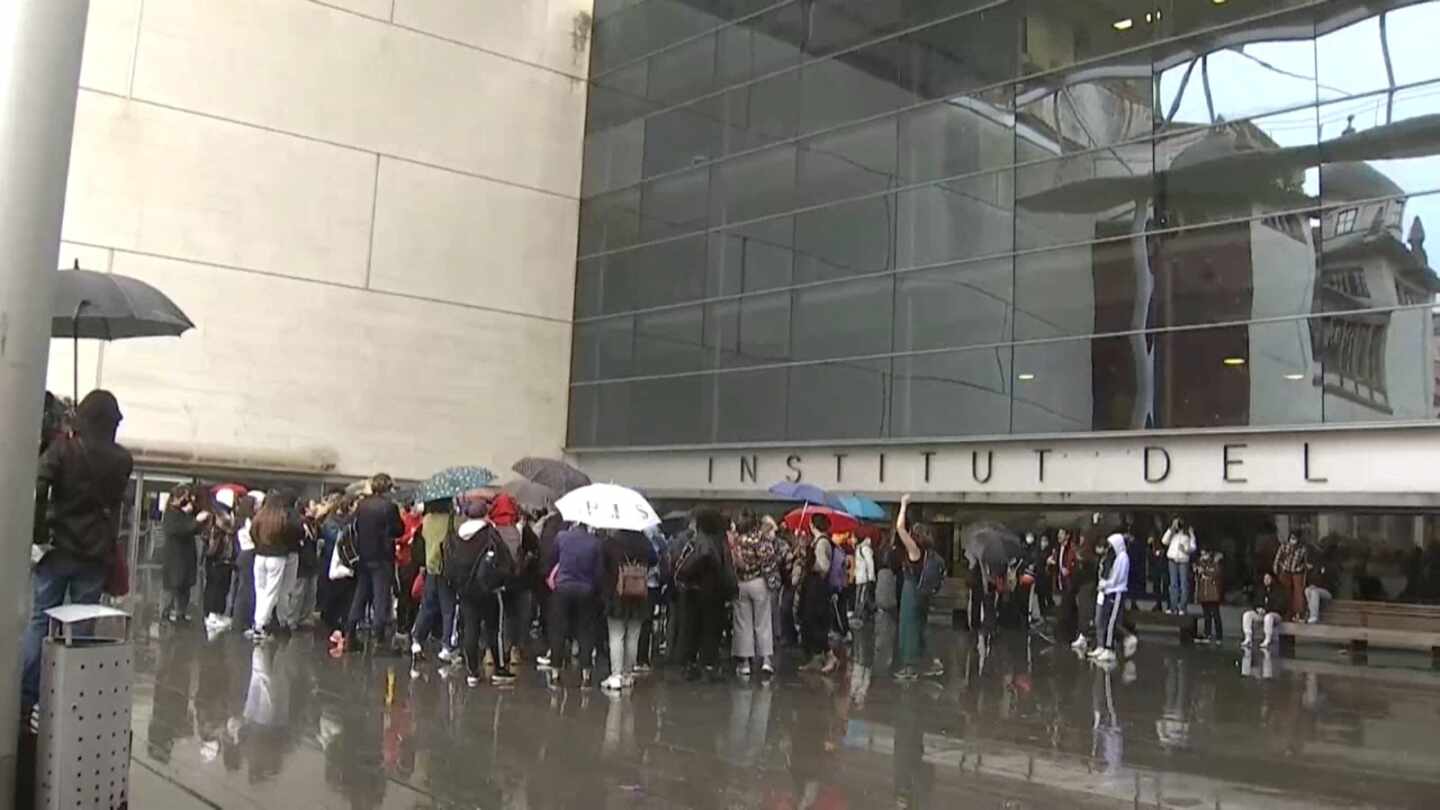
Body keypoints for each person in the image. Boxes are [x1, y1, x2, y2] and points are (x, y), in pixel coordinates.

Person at [24, 390, 134, 718]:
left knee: (40, 622)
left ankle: (26, 697)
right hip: (94, 554)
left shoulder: (64, 449)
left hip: (56, 549)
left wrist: (39, 532)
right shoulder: (122, 460)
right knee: (80, 631)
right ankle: (66, 702)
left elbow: (39, 485)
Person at [443, 498, 515, 687]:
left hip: (465, 590)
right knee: (494, 630)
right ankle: (500, 668)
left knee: (470, 629)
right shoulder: (490, 534)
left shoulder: (455, 536)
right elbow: (505, 561)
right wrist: (502, 580)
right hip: (489, 590)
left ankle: (472, 671)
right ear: (485, 514)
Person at [341, 473, 405, 654]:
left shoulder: (362, 505)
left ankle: (350, 635)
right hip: (382, 556)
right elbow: (398, 530)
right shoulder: (389, 507)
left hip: (363, 555)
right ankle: (379, 640)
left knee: (360, 595)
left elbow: (352, 525)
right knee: (381, 597)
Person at [542, 519, 605, 685]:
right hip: (586, 591)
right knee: (586, 631)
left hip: (562, 589)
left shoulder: (561, 537)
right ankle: (586, 674)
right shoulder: (596, 543)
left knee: (558, 630)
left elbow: (551, 560)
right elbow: (599, 572)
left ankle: (555, 671)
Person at [894, 494, 943, 680]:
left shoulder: (914, 551)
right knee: (919, 627)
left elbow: (899, 528)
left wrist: (903, 505)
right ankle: (930, 663)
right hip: (922, 593)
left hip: (911, 591)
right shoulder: (928, 552)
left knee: (909, 628)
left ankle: (910, 666)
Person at [601, 528, 657, 690]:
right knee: (633, 636)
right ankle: (627, 674)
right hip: (639, 594)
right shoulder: (644, 542)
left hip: (616, 594)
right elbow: (654, 559)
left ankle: (616, 675)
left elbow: (603, 565)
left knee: (616, 635)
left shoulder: (610, 543)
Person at [489, 493, 539, 665]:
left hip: (497, 582)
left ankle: (493, 651)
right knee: (521, 616)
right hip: (521, 580)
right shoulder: (522, 529)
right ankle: (516, 649)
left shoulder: (491, 529)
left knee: (498, 617)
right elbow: (535, 549)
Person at [729, 511, 778, 677]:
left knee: (743, 624)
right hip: (759, 582)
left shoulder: (736, 540)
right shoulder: (759, 539)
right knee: (763, 622)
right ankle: (766, 660)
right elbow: (769, 559)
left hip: (741, 583)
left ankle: (744, 663)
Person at [410, 498, 458, 662]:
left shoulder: (427, 520)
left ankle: (417, 640)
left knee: (427, 606)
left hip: (431, 567)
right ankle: (446, 646)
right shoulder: (452, 520)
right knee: (448, 609)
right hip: (447, 568)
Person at [250, 491, 301, 642]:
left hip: (260, 555)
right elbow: (292, 534)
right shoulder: (282, 518)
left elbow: (253, 532)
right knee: (272, 592)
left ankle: (257, 622)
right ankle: (261, 625)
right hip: (277, 556)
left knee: (260, 590)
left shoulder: (260, 516)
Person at [161, 483, 210, 623]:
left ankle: (180, 613)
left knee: (184, 586)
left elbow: (193, 529)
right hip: (175, 556)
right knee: (172, 586)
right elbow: (180, 529)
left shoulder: (182, 512)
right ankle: (166, 612)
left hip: (186, 555)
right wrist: (196, 520)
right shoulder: (171, 514)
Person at [798, 513, 839, 673]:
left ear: (813, 524)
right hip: (813, 586)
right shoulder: (818, 541)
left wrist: (809, 561)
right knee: (809, 621)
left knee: (815, 621)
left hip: (817, 587)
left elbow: (823, 566)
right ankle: (815, 658)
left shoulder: (821, 543)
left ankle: (829, 656)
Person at [1089, 531, 1135, 664]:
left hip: (1117, 591)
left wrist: (1106, 584)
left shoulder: (1123, 558)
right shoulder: (1116, 557)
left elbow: (1117, 578)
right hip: (1109, 591)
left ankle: (1110, 649)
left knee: (1111, 621)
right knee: (1104, 619)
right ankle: (1102, 646)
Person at [202, 490, 238, 632]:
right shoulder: (220, 516)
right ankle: (212, 614)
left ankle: (215, 613)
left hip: (218, 557)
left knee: (220, 586)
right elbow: (229, 528)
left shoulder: (215, 514)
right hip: (218, 556)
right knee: (216, 586)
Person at [1273, 532, 1311, 622]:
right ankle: (1286, 613)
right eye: (1291, 538)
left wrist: (1301, 568)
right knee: (1285, 592)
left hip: (1296, 572)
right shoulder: (1284, 546)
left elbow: (1305, 562)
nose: (1293, 540)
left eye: (1295, 538)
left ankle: (1298, 614)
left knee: (1298, 592)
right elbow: (1277, 558)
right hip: (1285, 570)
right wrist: (1276, 567)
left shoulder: (1302, 549)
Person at [1242, 571, 1286, 649]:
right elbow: (1255, 601)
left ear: (1272, 579)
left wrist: (1266, 610)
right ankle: (1248, 637)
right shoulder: (1261, 589)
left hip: (1275, 614)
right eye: (1265, 578)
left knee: (1268, 617)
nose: (1266, 580)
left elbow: (1280, 606)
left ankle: (1267, 639)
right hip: (1261, 613)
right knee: (1247, 615)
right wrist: (1258, 608)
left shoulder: (1279, 590)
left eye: (1268, 578)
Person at [1163, 518, 1197, 615]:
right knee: (1173, 584)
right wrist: (1171, 529)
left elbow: (1193, 547)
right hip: (1172, 560)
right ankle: (1173, 607)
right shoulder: (1173, 533)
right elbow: (1164, 541)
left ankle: (1182, 607)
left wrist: (1186, 549)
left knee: (1183, 584)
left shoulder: (1188, 533)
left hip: (1183, 560)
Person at [1194, 549, 1224, 644]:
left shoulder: (1214, 564)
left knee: (1215, 615)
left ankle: (1219, 636)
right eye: (1202, 554)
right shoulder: (1201, 564)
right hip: (1204, 594)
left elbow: (1216, 573)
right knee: (1206, 615)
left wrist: (1204, 572)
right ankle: (1207, 634)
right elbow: (1197, 576)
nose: (1203, 556)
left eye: (1205, 554)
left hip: (1213, 594)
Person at [1305, 543, 1338, 624]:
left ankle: (1314, 616)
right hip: (1318, 589)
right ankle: (1310, 613)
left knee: (1314, 591)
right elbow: (1315, 578)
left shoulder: (1332, 566)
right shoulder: (1319, 565)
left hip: (1328, 592)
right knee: (1307, 590)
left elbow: (1329, 582)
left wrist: (1320, 575)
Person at [853, 530, 876, 624]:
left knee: (862, 597)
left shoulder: (865, 549)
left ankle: (860, 615)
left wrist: (871, 577)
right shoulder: (859, 548)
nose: (852, 539)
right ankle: (861, 614)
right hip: (859, 577)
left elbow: (870, 563)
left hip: (864, 578)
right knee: (861, 597)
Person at [1147, 532, 1169, 611]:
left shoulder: (1166, 528)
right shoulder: (1153, 528)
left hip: (1164, 558)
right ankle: (1158, 603)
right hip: (1156, 559)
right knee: (1157, 584)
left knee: (1166, 584)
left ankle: (1168, 604)